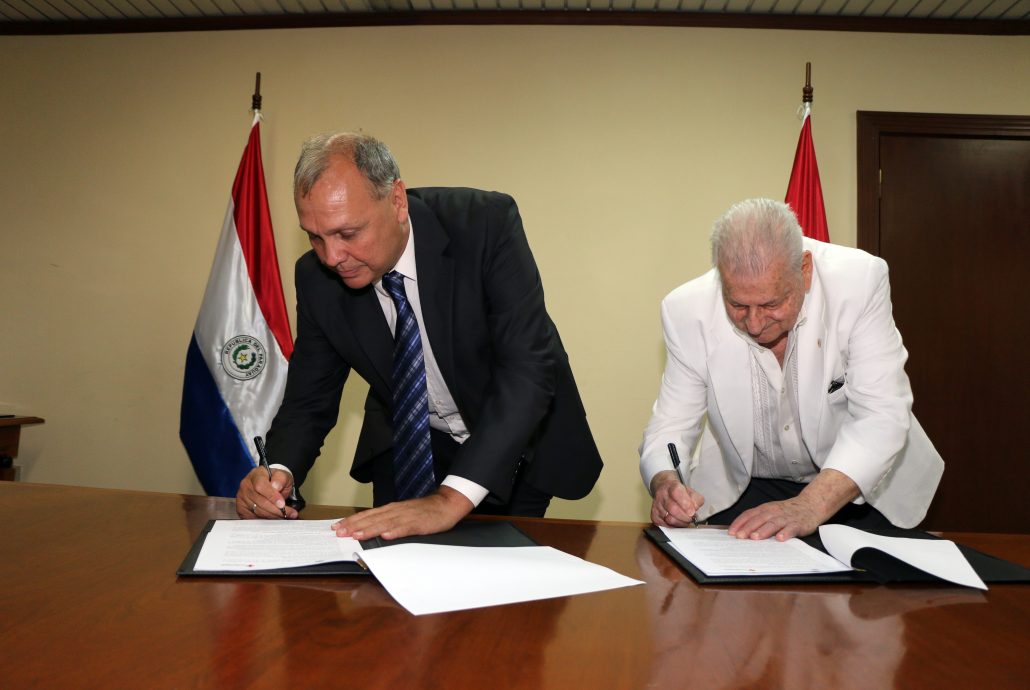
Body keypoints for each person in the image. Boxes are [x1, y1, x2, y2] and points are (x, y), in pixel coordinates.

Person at [236, 132, 602, 539]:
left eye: (348, 233)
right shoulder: (316, 278)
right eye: (315, 237)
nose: (332, 257)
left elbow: (527, 370)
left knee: (501, 571)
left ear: (396, 201)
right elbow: (309, 399)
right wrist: (278, 471)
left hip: (511, 442)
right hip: (410, 444)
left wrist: (449, 500)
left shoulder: (484, 224)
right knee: (390, 569)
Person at [640, 198, 943, 540]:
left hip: (859, 484)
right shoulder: (686, 311)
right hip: (747, 486)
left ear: (805, 270)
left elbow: (881, 414)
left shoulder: (858, 282)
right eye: (737, 304)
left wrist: (809, 505)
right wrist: (665, 481)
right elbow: (671, 424)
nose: (754, 324)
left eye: (771, 303)